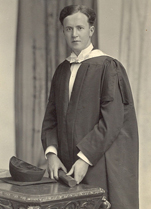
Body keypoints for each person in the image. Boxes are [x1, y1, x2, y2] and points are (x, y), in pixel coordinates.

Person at [41, 5, 139, 209]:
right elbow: (51, 118)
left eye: (80, 28)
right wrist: (51, 153)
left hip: (99, 163)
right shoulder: (61, 70)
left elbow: (111, 120)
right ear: (63, 31)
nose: (74, 34)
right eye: (69, 29)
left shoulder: (107, 67)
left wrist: (85, 158)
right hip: (67, 165)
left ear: (91, 30)